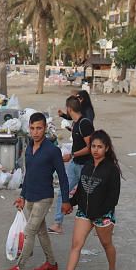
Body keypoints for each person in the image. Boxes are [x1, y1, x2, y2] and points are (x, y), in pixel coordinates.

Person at [5, 113, 72, 270]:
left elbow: (63, 177)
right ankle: (51, 263)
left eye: (39, 128)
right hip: (30, 197)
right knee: (41, 232)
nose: (35, 132)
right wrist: (22, 196)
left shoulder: (52, 150)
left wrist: (65, 200)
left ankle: (19, 268)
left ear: (45, 128)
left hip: (44, 197)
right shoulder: (29, 148)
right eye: (33, 128)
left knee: (29, 232)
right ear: (29, 128)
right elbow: (28, 175)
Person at [52, 129, 121, 270]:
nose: (96, 150)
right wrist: (70, 203)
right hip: (84, 212)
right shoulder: (87, 165)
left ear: (107, 149)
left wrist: (100, 213)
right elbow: (82, 189)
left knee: (106, 244)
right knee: (76, 244)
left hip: (103, 215)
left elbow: (113, 197)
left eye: (100, 147)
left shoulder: (111, 170)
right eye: (93, 146)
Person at [49, 96, 95, 235]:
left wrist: (72, 155)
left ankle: (100, 223)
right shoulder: (76, 123)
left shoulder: (84, 124)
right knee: (63, 192)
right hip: (74, 165)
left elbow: (90, 146)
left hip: (84, 166)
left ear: (69, 108)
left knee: (91, 195)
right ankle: (58, 223)